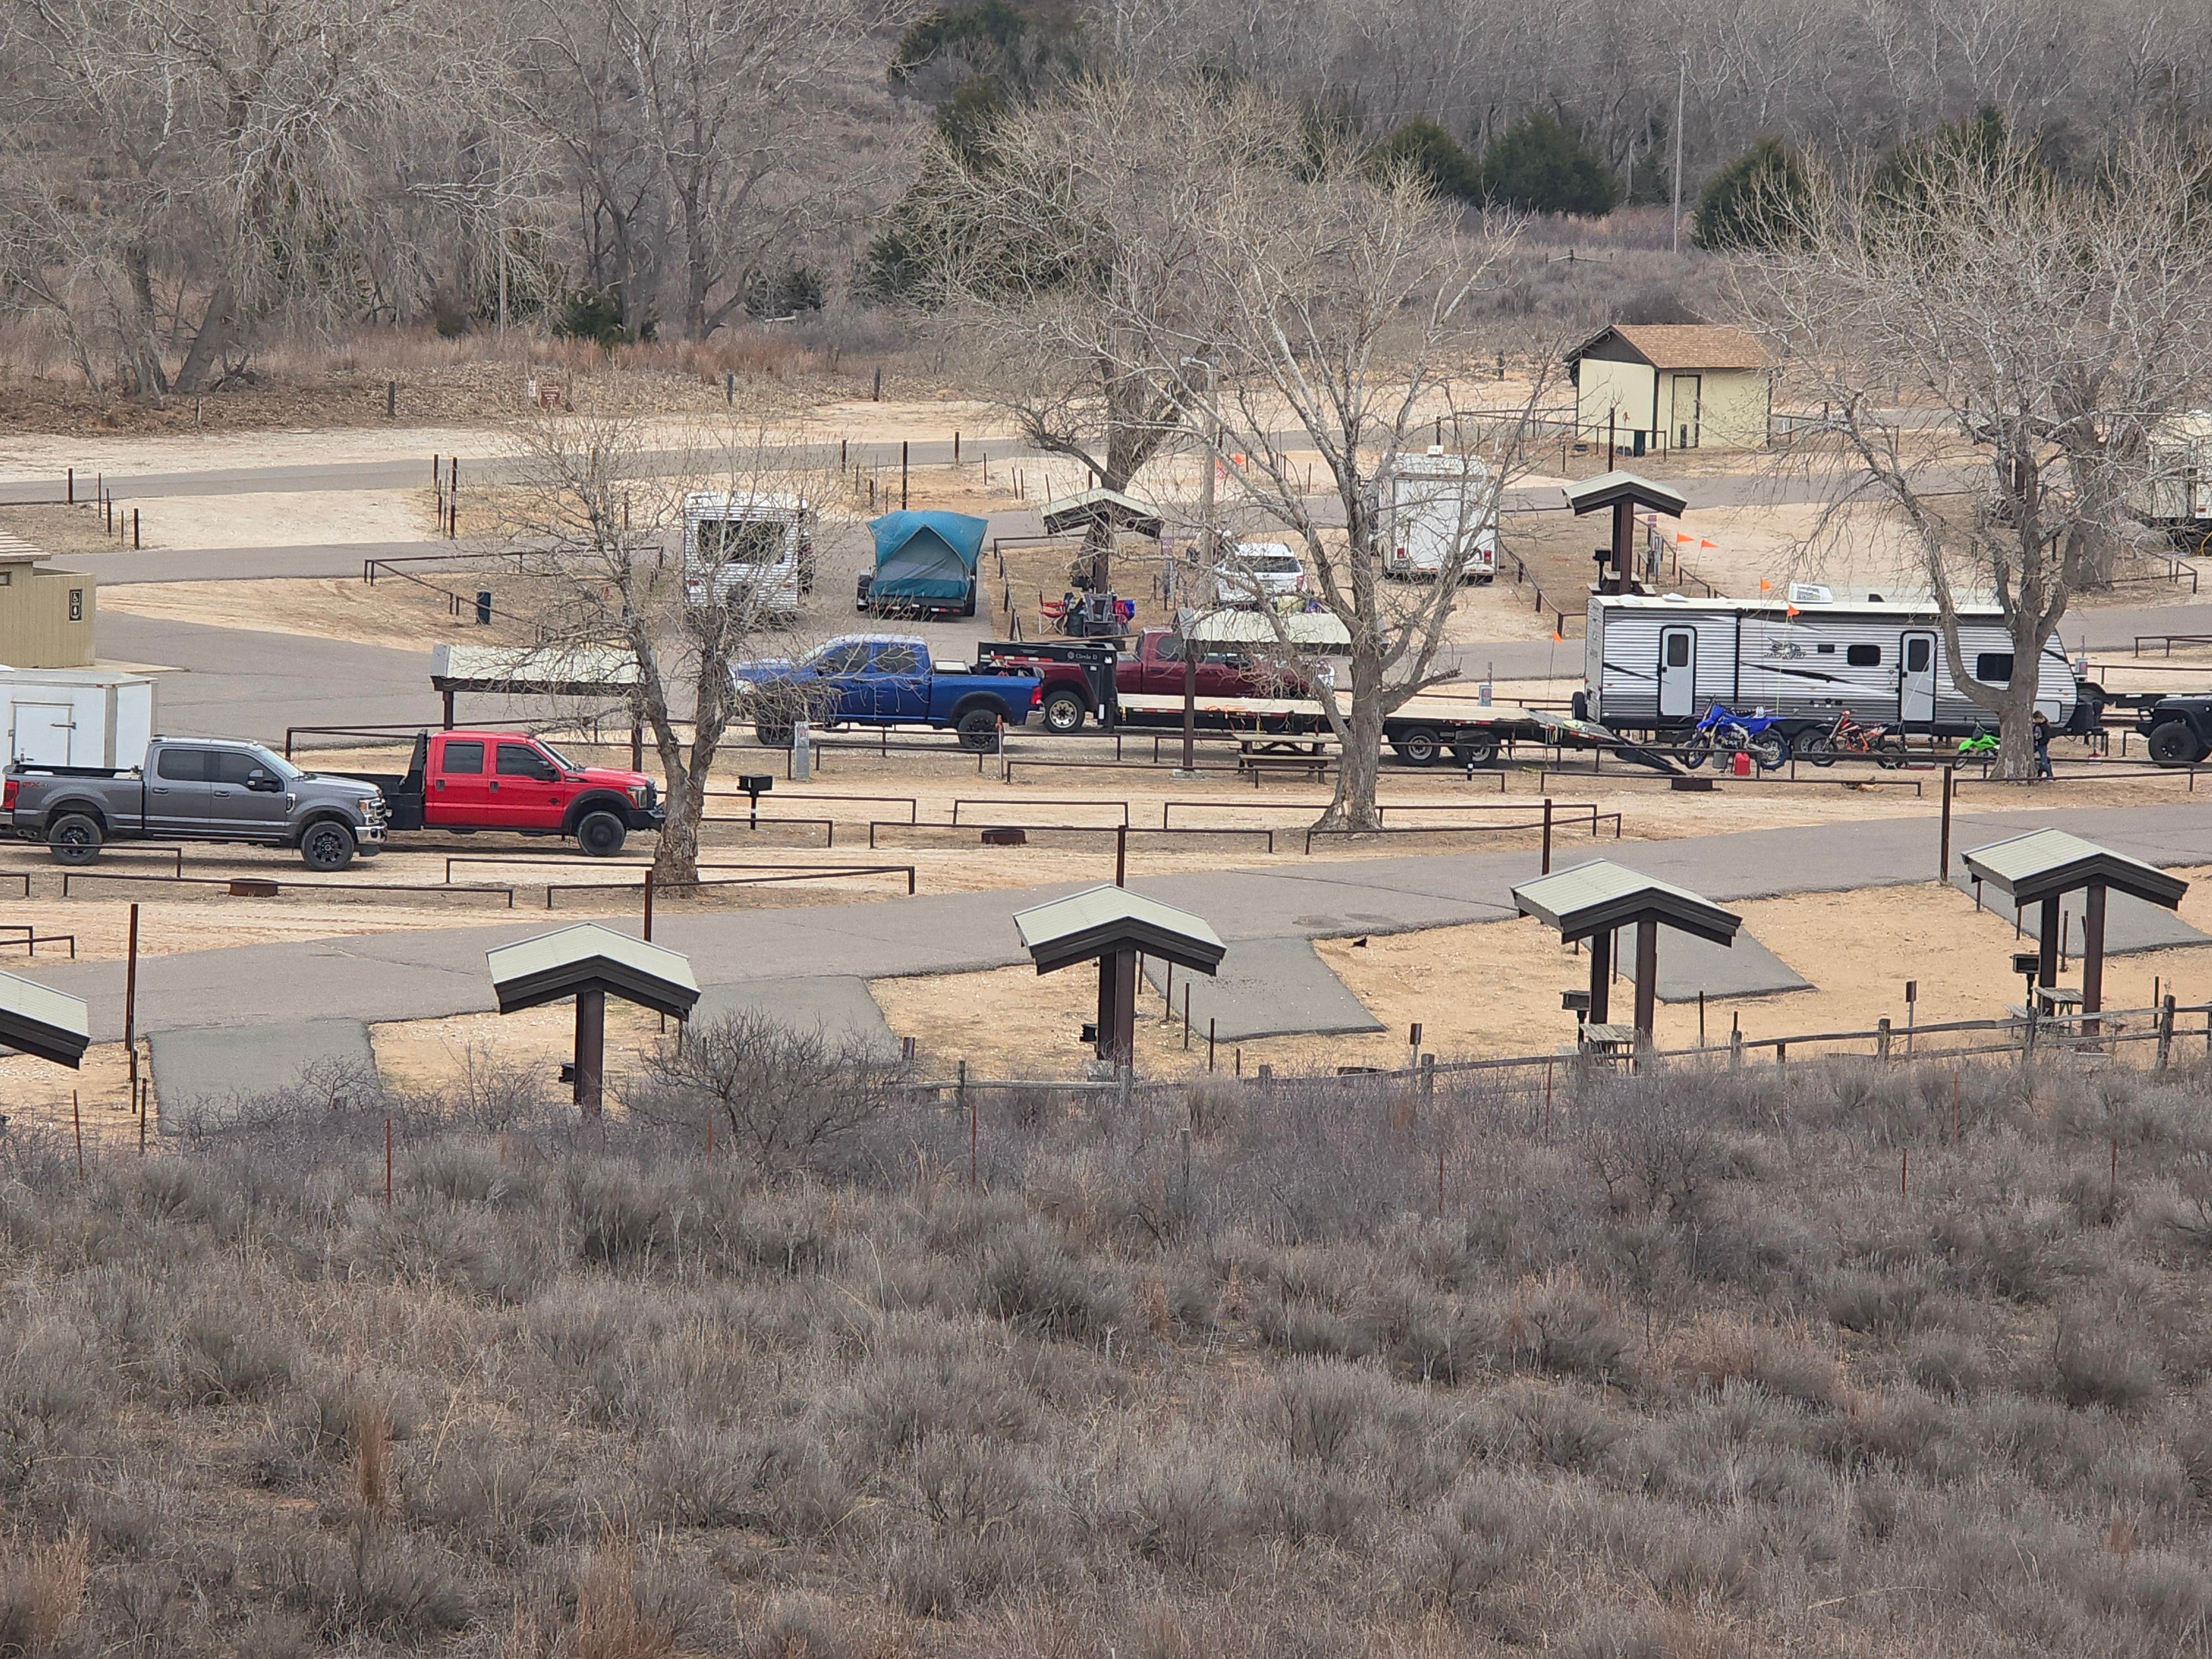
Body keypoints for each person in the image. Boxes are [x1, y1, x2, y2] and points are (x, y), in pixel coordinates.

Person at [2032, 711, 2054, 780]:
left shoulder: (2045, 726)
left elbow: (2047, 737)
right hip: (2036, 744)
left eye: (2036, 719)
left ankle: (2050, 776)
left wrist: (2042, 743)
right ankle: (2039, 775)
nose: (2035, 721)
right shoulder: (2036, 725)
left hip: (2042, 745)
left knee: (2044, 762)